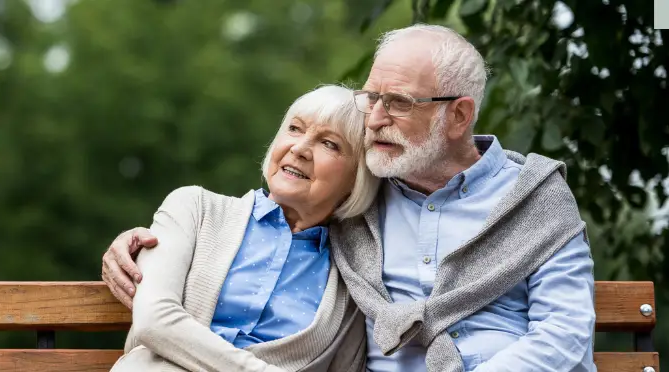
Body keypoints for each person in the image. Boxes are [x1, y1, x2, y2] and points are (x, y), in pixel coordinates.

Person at [102, 24, 596, 372]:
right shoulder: (362, 208)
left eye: (398, 102)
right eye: (371, 97)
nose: (375, 118)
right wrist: (143, 243)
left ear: (459, 117)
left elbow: (566, 333)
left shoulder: (534, 199)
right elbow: (279, 211)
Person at [109, 85, 378, 372]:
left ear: (357, 177)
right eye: (295, 129)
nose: (299, 149)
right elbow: (154, 321)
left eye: (329, 144)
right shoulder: (194, 209)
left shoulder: (353, 276)